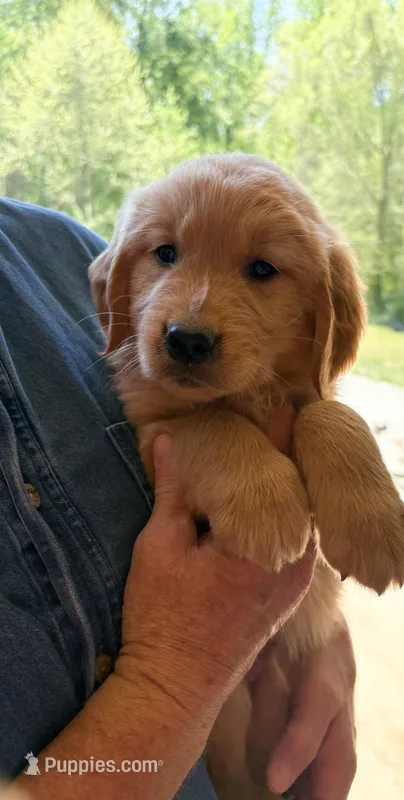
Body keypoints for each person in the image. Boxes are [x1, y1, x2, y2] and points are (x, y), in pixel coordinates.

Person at [0, 198, 357, 799]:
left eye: (262, 269)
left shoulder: (55, 245)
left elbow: (290, 412)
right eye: (165, 255)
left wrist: (318, 628)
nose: (190, 318)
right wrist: (173, 679)